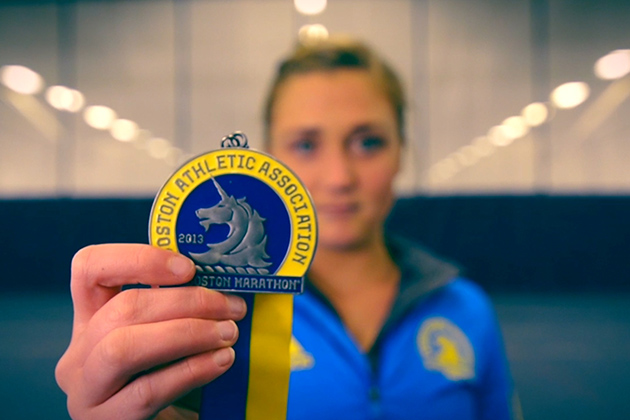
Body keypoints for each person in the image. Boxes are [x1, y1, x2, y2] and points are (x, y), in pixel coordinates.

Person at [56, 36, 518, 420]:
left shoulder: (467, 309)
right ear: (270, 160)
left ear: (402, 151)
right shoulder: (215, 316)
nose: (339, 177)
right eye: (306, 144)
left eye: (368, 142)